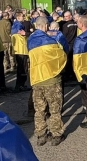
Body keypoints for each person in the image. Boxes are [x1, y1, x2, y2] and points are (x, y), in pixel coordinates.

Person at [28, 17, 67, 146]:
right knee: (55, 109)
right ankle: (56, 134)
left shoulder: (30, 41)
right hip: (52, 80)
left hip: (36, 80)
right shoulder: (50, 41)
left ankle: (41, 135)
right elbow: (61, 56)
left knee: (39, 110)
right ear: (45, 26)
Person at [11, 12, 31, 92]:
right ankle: (21, 85)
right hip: (22, 50)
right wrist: (27, 33)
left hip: (17, 49)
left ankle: (19, 85)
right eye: (23, 16)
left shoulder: (14, 26)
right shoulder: (19, 26)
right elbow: (23, 35)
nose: (24, 17)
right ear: (18, 18)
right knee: (23, 68)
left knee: (20, 67)